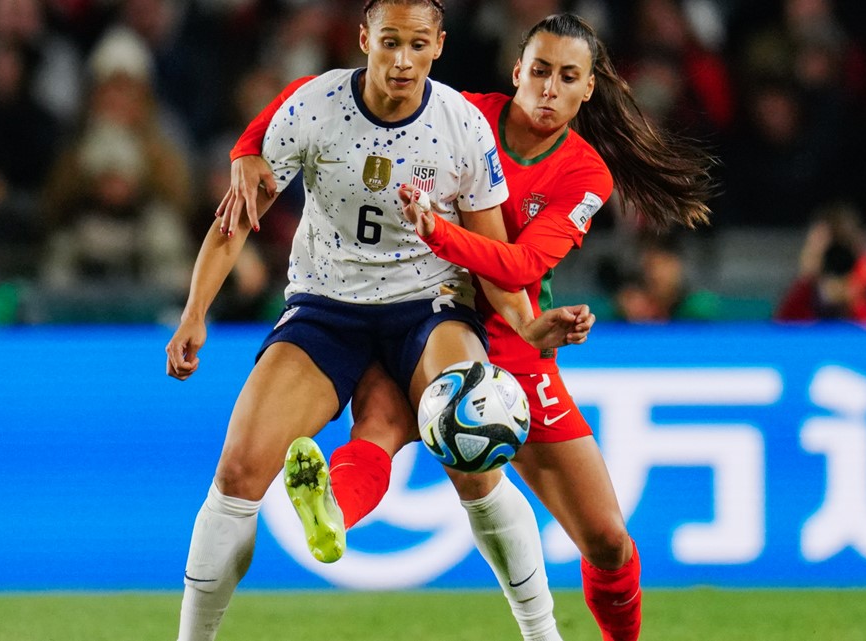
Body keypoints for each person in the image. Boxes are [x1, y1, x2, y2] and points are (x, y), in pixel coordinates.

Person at [223, 12, 715, 641]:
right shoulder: (461, 115)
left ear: (588, 89)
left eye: (567, 77)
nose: (548, 89)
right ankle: (333, 517)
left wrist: (441, 232)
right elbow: (319, 98)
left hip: (515, 342)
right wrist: (246, 149)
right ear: (517, 71)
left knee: (609, 541)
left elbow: (522, 264)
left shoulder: (585, 173)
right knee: (378, 427)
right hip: (425, 321)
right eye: (538, 71)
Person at [164, 3, 592, 640]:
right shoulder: (314, 106)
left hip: (429, 307)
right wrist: (195, 311)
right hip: (323, 309)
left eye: (418, 44)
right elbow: (236, 219)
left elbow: (497, 258)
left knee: (473, 454)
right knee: (237, 474)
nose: (401, 59)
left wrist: (526, 328)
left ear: (439, 45)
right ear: (364, 38)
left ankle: (542, 634)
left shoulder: (462, 126)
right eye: (389, 42)